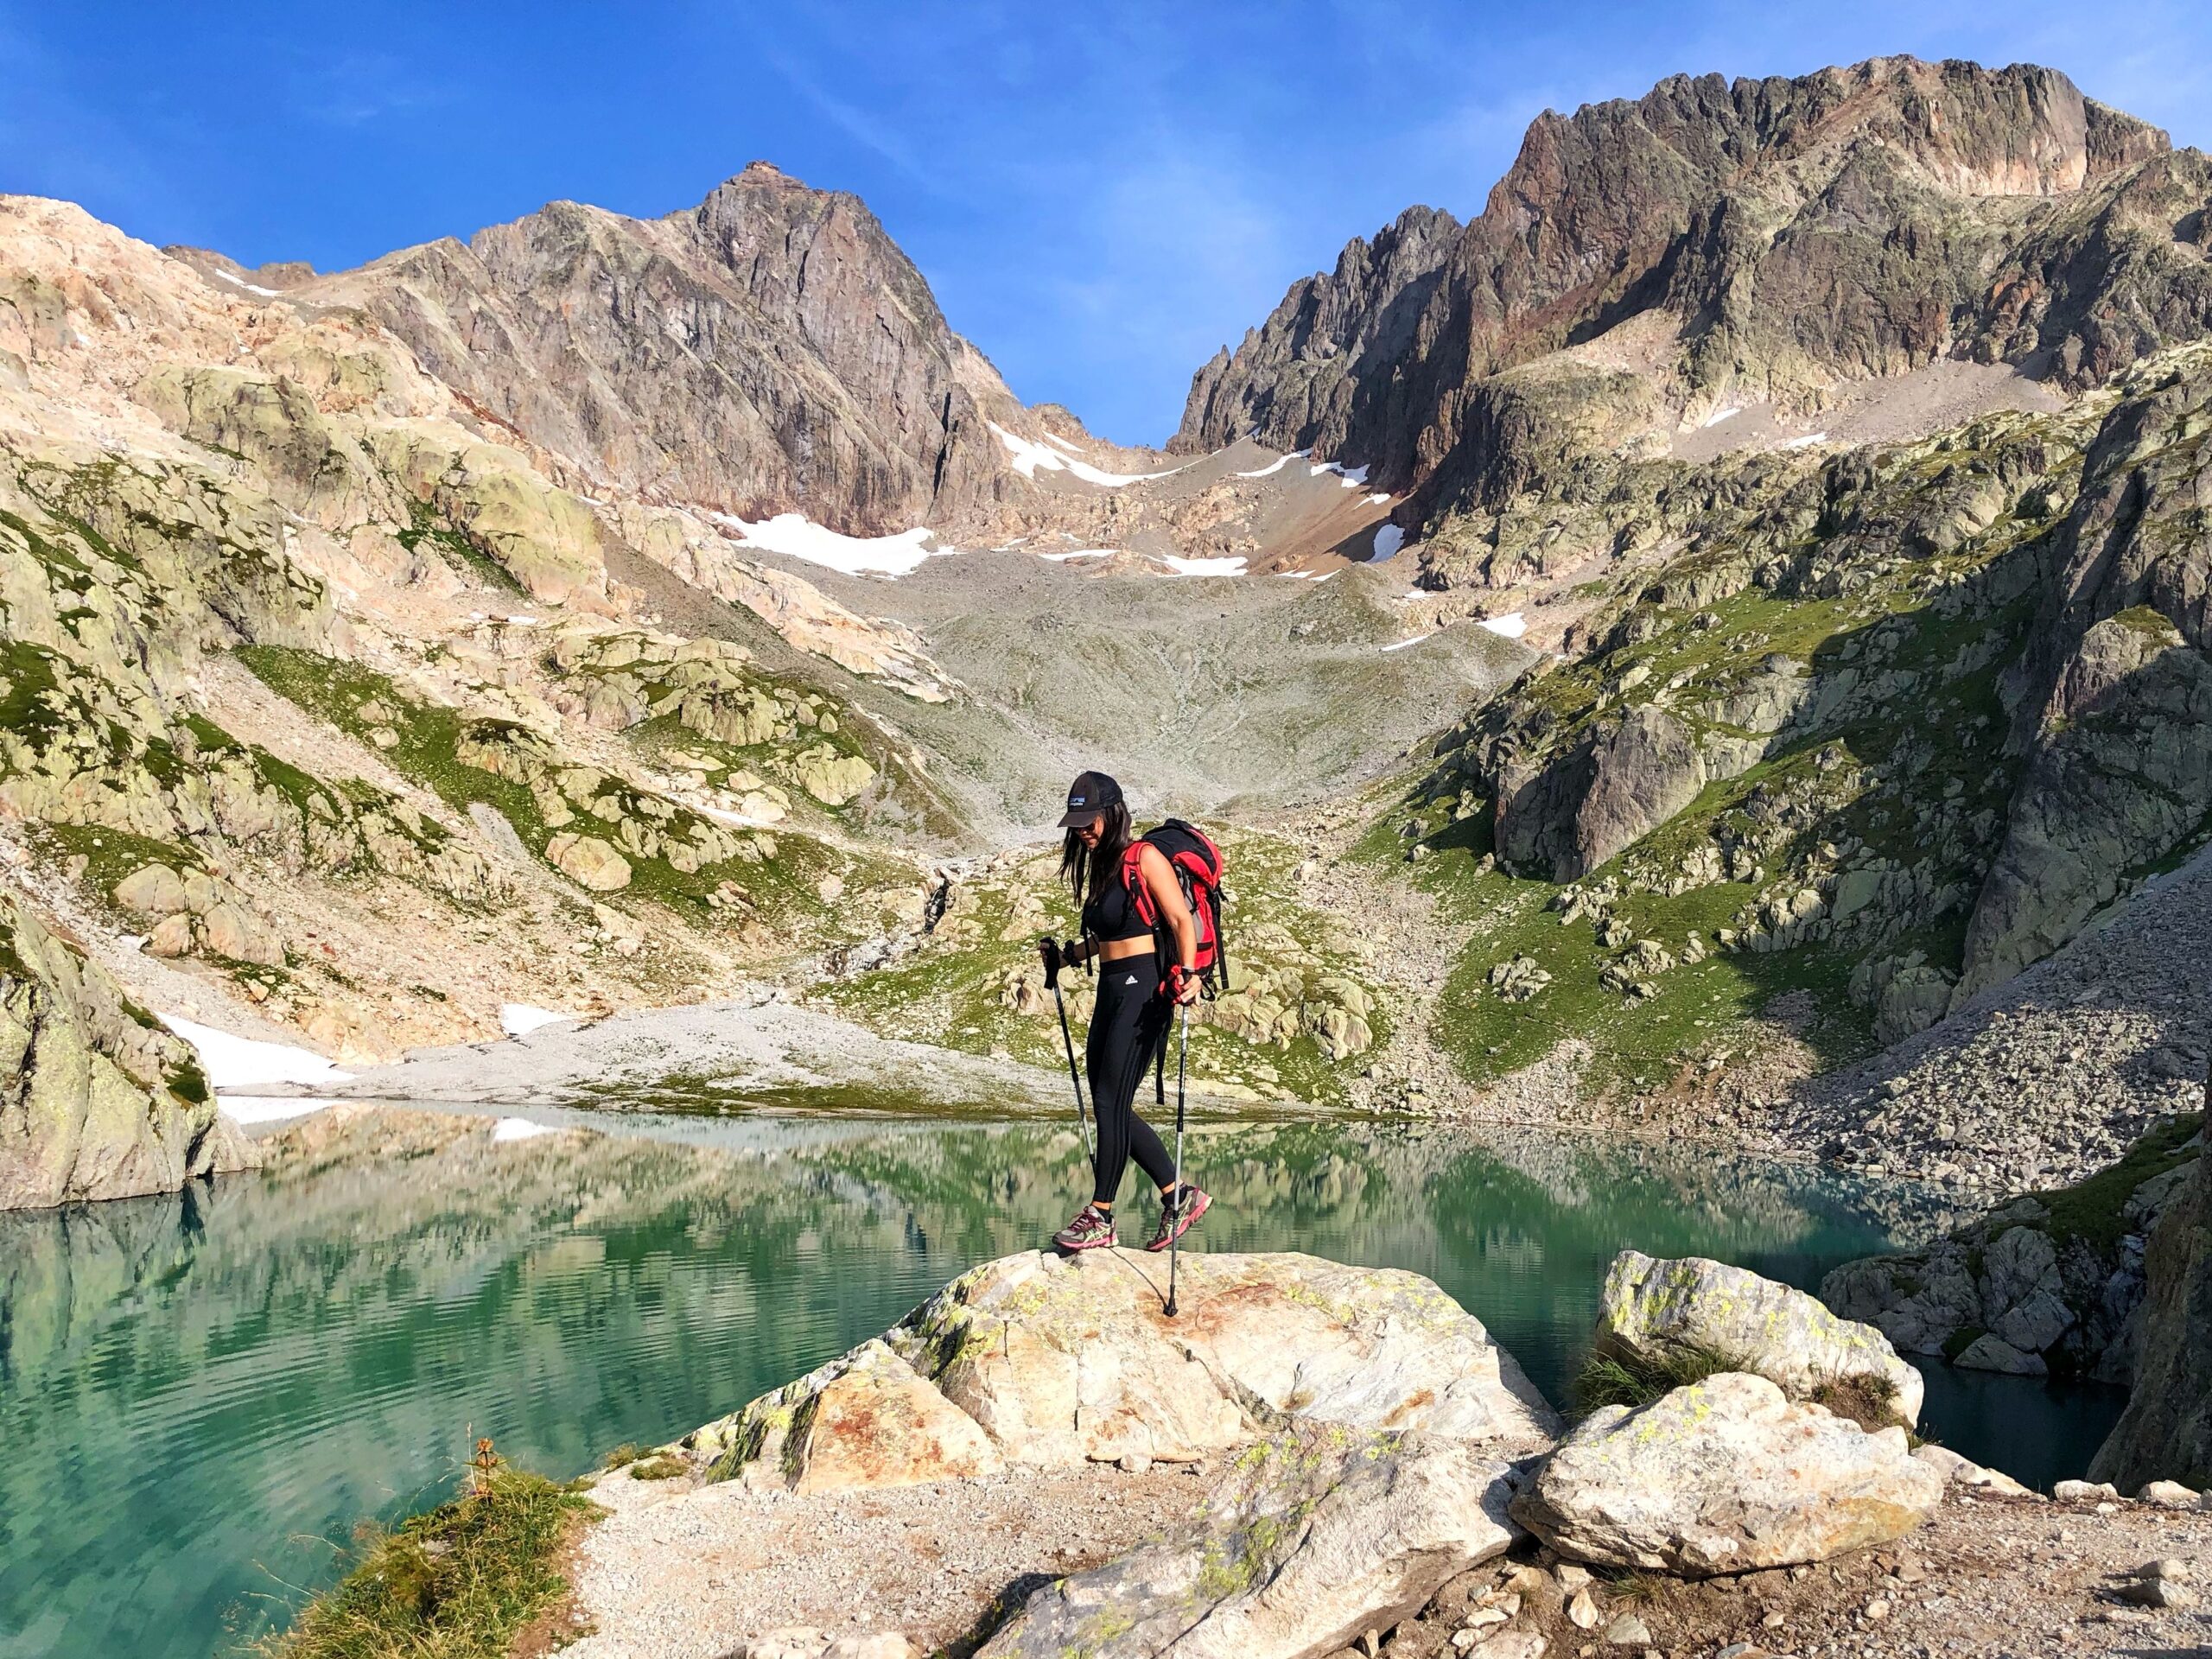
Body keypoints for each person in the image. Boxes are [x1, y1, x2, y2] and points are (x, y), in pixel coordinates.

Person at [1039, 770, 1212, 1254]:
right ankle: (1180, 1194)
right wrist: (1070, 956)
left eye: (1090, 820)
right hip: (1114, 987)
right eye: (1076, 823)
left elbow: (1179, 919)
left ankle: (1101, 1216)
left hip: (1146, 987)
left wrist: (1190, 974)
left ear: (1112, 813)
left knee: (1111, 1097)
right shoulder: (1104, 865)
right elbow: (1111, 935)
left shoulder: (1145, 857)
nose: (1083, 831)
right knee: (1107, 1098)